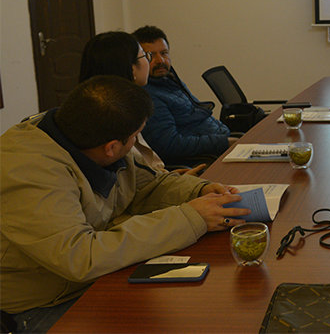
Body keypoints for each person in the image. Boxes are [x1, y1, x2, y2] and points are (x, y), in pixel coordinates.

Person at [0, 76, 249, 332]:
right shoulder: (30, 171)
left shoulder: (92, 137)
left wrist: (199, 190)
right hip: (44, 302)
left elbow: (147, 185)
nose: (136, 143)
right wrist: (192, 218)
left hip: (99, 276)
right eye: (136, 136)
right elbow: (80, 257)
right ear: (112, 147)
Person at [79, 31, 205, 176]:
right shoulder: (119, 113)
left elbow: (140, 175)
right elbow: (129, 188)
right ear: (131, 68)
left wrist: (170, 177)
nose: (155, 60)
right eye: (146, 56)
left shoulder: (100, 104)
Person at [132, 25, 234, 166]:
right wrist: (224, 142)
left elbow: (198, 114)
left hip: (221, 145)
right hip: (206, 159)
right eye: (151, 55)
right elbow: (170, 144)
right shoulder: (149, 96)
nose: (160, 60)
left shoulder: (169, 80)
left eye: (164, 53)